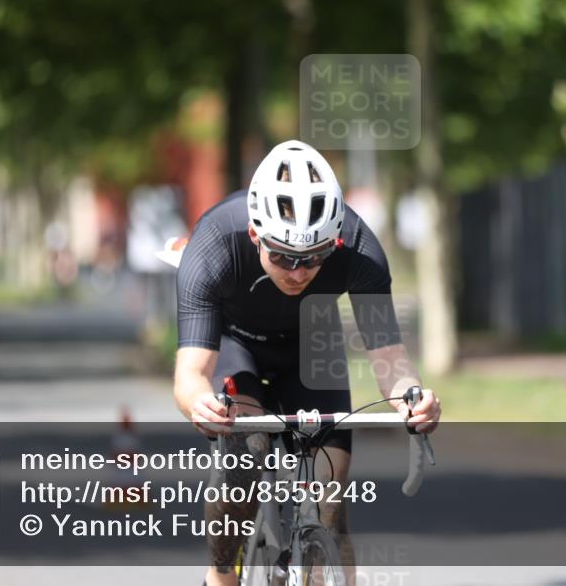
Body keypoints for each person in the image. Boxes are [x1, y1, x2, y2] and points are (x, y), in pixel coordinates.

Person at [173, 140, 441, 586]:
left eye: (313, 258)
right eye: (282, 256)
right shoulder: (215, 243)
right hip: (235, 342)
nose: (297, 272)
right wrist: (201, 404)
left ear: (334, 241)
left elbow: (391, 362)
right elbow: (190, 375)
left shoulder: (359, 248)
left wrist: (414, 400)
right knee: (245, 458)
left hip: (312, 346)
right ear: (256, 235)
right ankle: (221, 575)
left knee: (331, 504)